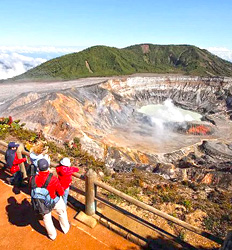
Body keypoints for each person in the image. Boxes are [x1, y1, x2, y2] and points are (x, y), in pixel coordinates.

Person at [30, 158, 70, 240]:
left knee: (47, 219)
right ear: (48, 167)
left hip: (42, 203)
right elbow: (61, 192)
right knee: (62, 212)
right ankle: (65, 228)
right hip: (54, 200)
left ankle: (52, 235)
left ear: (38, 168)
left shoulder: (33, 179)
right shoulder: (53, 179)